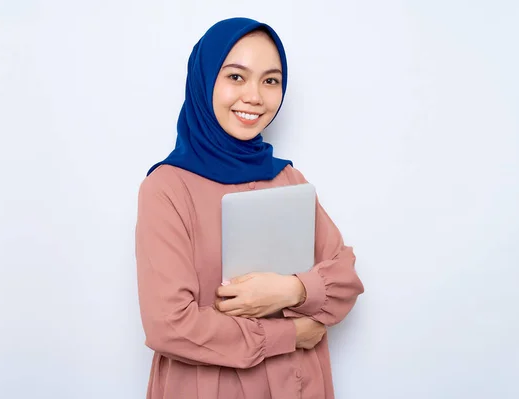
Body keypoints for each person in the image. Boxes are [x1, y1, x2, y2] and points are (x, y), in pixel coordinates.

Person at [135, 17, 364, 399]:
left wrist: (291, 290)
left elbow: (345, 280)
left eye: (270, 80)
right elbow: (169, 325)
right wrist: (290, 333)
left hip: (298, 384)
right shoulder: (167, 188)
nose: (255, 96)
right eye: (236, 77)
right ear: (204, 80)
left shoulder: (288, 179)